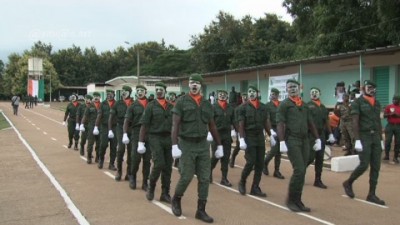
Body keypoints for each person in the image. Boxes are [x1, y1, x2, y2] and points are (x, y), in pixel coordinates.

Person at [171, 74, 223, 223]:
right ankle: (176, 198)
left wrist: (219, 144)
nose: (194, 85)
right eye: (192, 83)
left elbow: (212, 125)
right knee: (186, 175)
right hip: (186, 143)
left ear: (201, 85)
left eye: (197, 83)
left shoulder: (207, 104)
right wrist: (174, 145)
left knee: (205, 178)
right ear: (189, 85)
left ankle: (201, 210)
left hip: (202, 144)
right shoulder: (181, 102)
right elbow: (175, 125)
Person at [277, 79, 321, 212]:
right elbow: (280, 123)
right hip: (292, 140)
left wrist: (318, 138)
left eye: (294, 87)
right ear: (286, 90)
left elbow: (310, 122)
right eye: (289, 87)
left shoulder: (304, 105)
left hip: (305, 140)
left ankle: (298, 200)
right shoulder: (284, 105)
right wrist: (281, 141)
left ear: (300, 88)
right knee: (299, 170)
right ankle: (291, 200)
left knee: (302, 171)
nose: (292, 89)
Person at [342, 80, 385, 205]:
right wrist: (358, 140)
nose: (371, 89)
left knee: (376, 166)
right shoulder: (357, 102)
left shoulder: (376, 103)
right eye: (369, 87)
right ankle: (348, 182)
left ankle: (372, 194)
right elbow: (355, 121)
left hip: (375, 137)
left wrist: (381, 139)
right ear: (363, 88)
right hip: (364, 136)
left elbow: (378, 121)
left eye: (373, 88)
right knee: (364, 164)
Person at [139, 82, 174, 203]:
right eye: (157, 89)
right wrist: (140, 142)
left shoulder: (171, 106)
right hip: (155, 137)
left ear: (165, 91)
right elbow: (144, 125)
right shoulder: (151, 106)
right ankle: (151, 187)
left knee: (168, 166)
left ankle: (165, 193)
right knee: (159, 163)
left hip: (168, 138)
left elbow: (176, 124)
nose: (159, 91)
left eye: (161, 89)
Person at [237, 85, 274, 197]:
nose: (251, 93)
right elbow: (241, 124)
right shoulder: (243, 107)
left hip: (259, 137)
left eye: (253, 91)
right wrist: (242, 138)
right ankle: (242, 181)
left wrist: (271, 134)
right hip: (249, 136)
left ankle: (255, 187)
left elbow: (265, 122)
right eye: (249, 91)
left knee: (260, 163)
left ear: (258, 93)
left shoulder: (263, 107)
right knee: (251, 161)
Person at [306, 87, 336, 189]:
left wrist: (330, 134)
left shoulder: (323, 107)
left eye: (316, 92)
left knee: (320, 157)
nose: (314, 94)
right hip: (311, 135)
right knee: (310, 157)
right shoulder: (307, 106)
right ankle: (300, 174)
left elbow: (326, 121)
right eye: (312, 92)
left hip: (321, 134)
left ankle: (317, 179)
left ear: (320, 93)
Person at [123, 85, 151, 191]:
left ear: (145, 92)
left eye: (142, 91)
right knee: (135, 158)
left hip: (149, 134)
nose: (140, 92)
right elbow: (127, 121)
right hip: (136, 133)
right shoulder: (133, 106)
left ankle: (145, 182)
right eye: (138, 90)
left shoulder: (151, 104)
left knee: (147, 160)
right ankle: (132, 176)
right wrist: (125, 133)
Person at [210, 89, 236, 187]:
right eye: (220, 94)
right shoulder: (213, 107)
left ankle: (224, 178)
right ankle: (209, 171)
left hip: (227, 135)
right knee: (216, 156)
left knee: (226, 157)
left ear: (227, 96)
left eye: (224, 94)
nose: (222, 96)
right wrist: (209, 132)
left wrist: (234, 130)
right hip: (216, 134)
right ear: (217, 96)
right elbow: (210, 121)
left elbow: (233, 120)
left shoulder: (230, 108)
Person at [109, 86, 134, 181]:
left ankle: (129, 173)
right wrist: (110, 129)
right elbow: (111, 117)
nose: (123, 93)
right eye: (122, 91)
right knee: (121, 149)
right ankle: (119, 171)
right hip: (120, 128)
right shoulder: (117, 104)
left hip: (132, 129)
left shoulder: (134, 103)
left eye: (126, 91)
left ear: (130, 92)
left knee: (131, 152)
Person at [263, 88, 285, 179]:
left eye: (275, 94)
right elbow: (267, 119)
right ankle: (265, 162)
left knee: (279, 151)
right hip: (273, 128)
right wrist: (270, 130)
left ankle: (276, 170)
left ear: (278, 95)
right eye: (272, 94)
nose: (273, 95)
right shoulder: (267, 105)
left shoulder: (281, 104)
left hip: (281, 128)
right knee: (275, 148)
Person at [95, 89, 117, 170]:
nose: (109, 95)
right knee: (103, 145)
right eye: (108, 94)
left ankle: (111, 164)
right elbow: (99, 115)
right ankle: (101, 160)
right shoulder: (103, 104)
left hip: (115, 127)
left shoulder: (116, 103)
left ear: (114, 95)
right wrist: (96, 126)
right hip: (104, 127)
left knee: (114, 146)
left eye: (111, 94)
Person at [80, 93, 101, 164]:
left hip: (100, 126)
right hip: (91, 126)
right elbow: (85, 116)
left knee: (99, 143)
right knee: (90, 142)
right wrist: (82, 124)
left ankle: (97, 157)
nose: (96, 98)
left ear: (100, 97)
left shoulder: (103, 105)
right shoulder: (90, 106)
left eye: (97, 97)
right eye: (94, 97)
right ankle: (89, 157)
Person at [229, 92, 248, 168]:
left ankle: (248, 161)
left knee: (248, 145)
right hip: (239, 129)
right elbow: (234, 120)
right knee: (238, 146)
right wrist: (234, 129)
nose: (245, 98)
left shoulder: (250, 107)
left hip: (248, 129)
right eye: (243, 97)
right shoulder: (237, 108)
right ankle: (233, 158)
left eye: (246, 97)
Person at [382, 95, 400, 163]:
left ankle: (395, 157)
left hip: (398, 126)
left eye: (396, 100)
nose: (394, 101)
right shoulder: (389, 107)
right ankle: (386, 156)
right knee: (388, 141)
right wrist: (391, 114)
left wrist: (397, 115)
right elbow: (384, 115)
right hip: (390, 126)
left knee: (398, 142)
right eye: (393, 99)